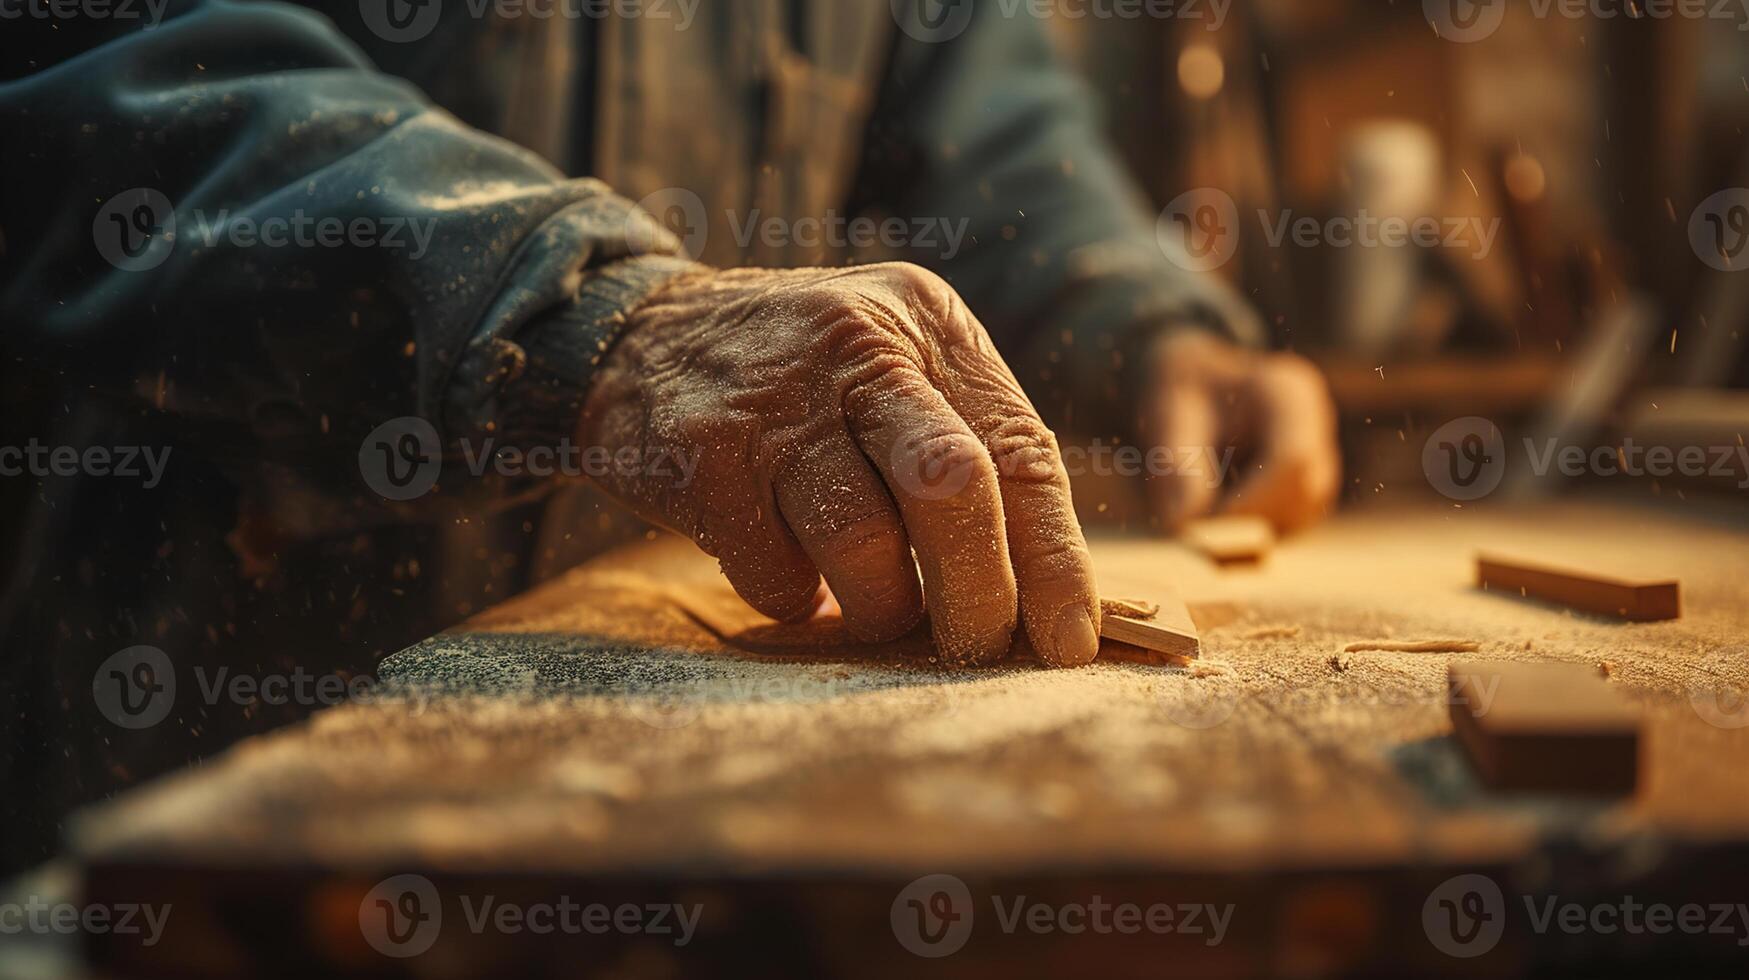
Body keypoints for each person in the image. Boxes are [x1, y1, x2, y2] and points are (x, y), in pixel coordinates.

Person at [0, 1, 1337, 872]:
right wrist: (591, 319)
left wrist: (1144, 324)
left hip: (631, 807)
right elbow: (86, 80)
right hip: (193, 732)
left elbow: (990, 135)